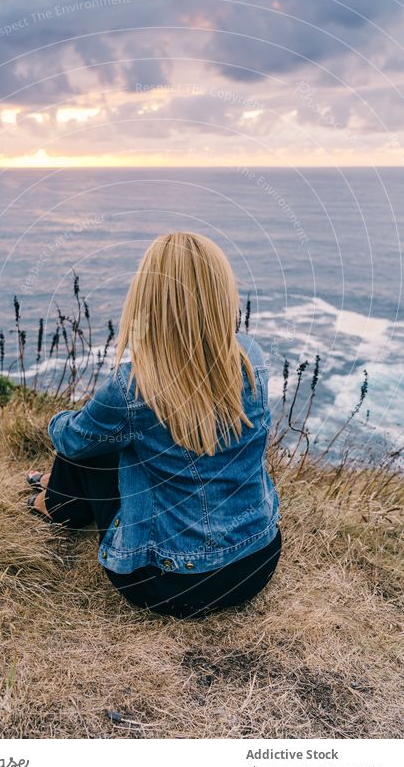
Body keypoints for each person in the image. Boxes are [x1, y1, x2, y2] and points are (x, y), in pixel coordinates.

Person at [26, 231, 281, 618]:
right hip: (258, 560)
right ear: (222, 294)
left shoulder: (133, 387)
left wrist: (61, 418)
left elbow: (73, 442)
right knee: (123, 434)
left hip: (171, 583)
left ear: (149, 299)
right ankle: (57, 491)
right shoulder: (251, 357)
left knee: (94, 440)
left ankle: (58, 503)